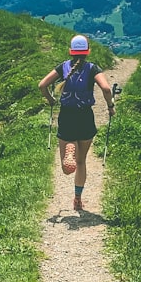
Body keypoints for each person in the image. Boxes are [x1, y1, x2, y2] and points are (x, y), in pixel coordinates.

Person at [38, 34, 116, 210]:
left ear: (70, 51)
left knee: (67, 169)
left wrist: (51, 100)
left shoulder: (62, 67)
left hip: (67, 117)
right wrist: (110, 106)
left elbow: (42, 85)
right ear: (88, 51)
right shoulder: (92, 68)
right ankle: (78, 199)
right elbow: (105, 88)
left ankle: (69, 149)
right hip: (85, 117)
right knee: (81, 162)